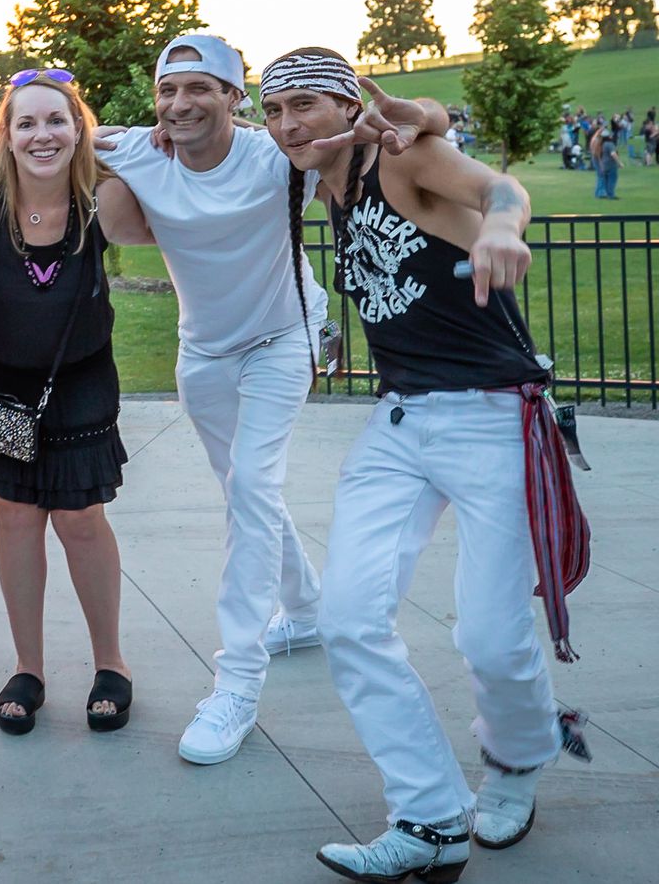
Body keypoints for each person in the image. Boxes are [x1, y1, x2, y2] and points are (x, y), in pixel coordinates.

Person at [261, 48, 590, 882]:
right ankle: (431, 815)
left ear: (349, 105)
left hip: (492, 414)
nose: (288, 124)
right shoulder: (319, 183)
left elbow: (499, 189)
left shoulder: (399, 158)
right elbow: (203, 138)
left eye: (306, 104)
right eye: (274, 110)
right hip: (400, 421)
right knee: (347, 617)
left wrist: (502, 228)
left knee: (489, 634)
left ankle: (517, 756)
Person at [96, 35, 449, 766]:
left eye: (201, 88)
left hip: (283, 338)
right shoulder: (135, 150)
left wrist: (427, 116)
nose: (181, 104)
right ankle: (307, 606)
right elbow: (24, 142)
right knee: (245, 490)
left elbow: (403, 129)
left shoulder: (279, 156)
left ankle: (237, 683)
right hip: (202, 352)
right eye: (169, 90)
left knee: (252, 487)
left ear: (234, 97)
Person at [0, 68, 141, 735]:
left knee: (81, 518)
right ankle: (28, 668)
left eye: (56, 119)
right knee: (17, 517)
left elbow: (181, 218)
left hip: (79, 380)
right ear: (5, 135)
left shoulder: (103, 197)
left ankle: (111, 664)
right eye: (25, 122)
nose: (42, 134)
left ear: (80, 129)